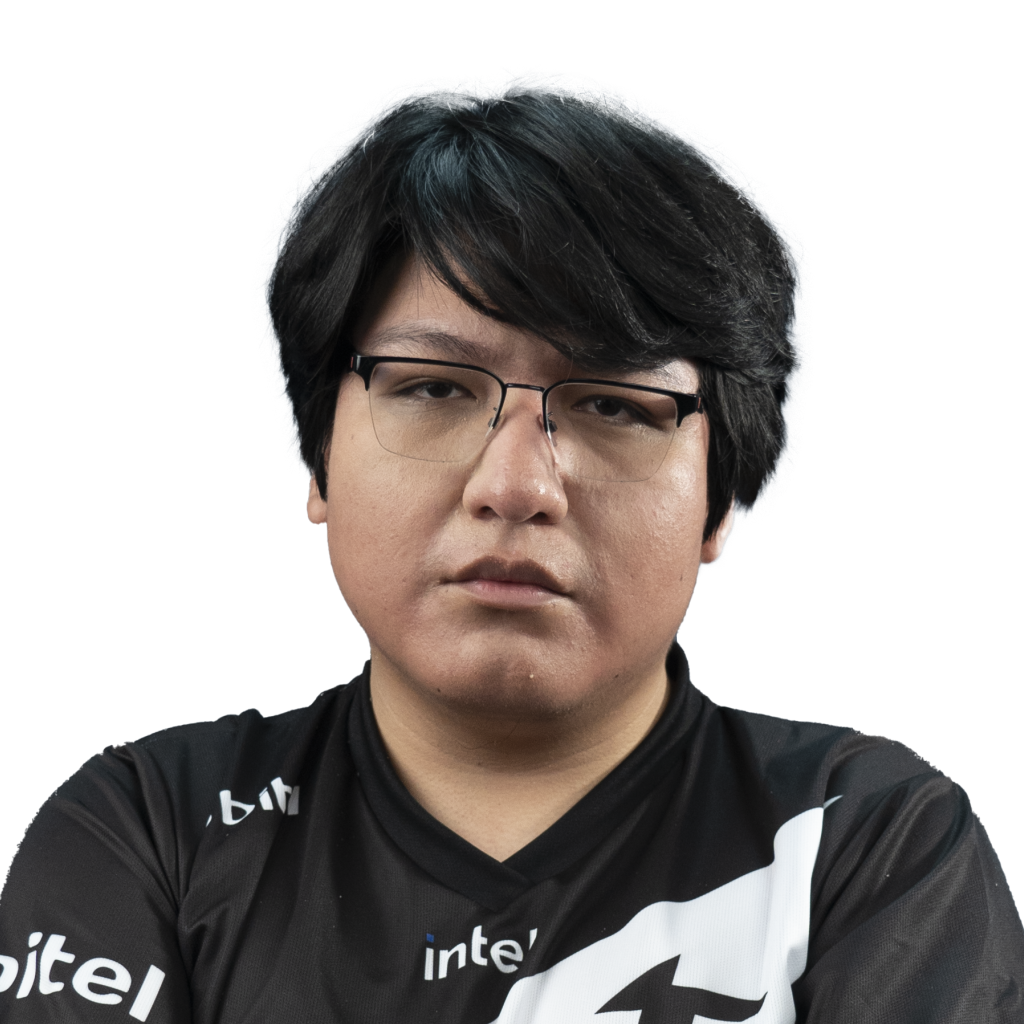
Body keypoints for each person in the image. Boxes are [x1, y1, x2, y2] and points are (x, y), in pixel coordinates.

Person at [2, 79, 1021, 1023]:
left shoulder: (865, 840)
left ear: (721, 504)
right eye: (434, 388)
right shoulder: (146, 830)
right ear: (318, 461)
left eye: (615, 405)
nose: (517, 486)